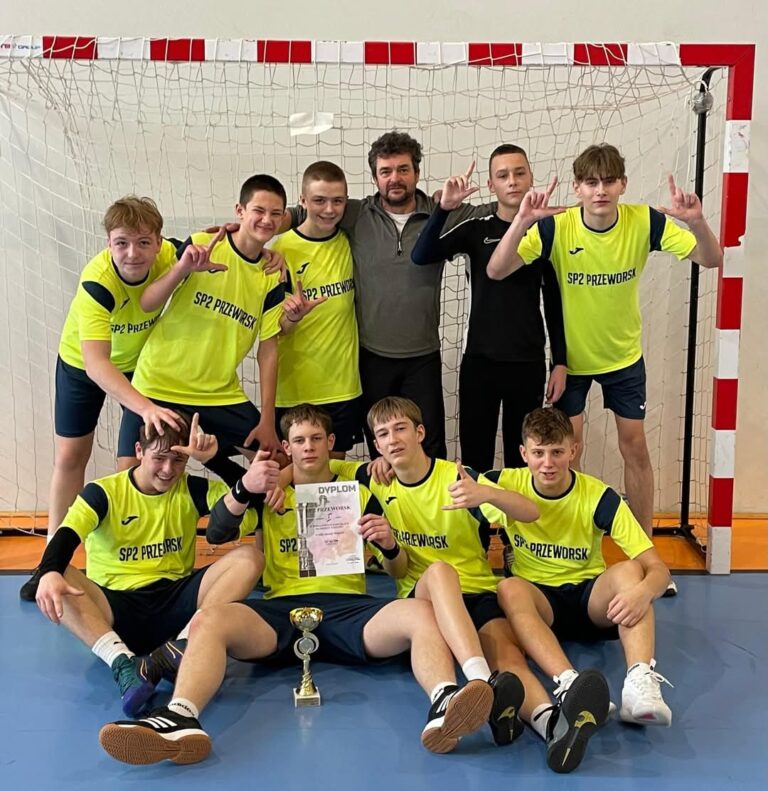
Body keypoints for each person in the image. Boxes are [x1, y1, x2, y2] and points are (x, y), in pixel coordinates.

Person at [97, 404, 500, 766]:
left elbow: (398, 571)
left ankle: (445, 699)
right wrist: (243, 483)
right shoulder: (270, 493)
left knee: (419, 612)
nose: (308, 447)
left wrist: (390, 544)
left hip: (348, 607)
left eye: (316, 439)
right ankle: (180, 717)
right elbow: (218, 532)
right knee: (211, 620)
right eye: (299, 441)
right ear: (287, 448)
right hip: (280, 611)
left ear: (331, 443)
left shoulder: (358, 492)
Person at [335, 397, 612, 773]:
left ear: (420, 432)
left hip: (479, 592)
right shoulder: (374, 481)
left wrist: (488, 494)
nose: (393, 439)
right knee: (440, 571)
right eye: (383, 434)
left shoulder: (458, 478)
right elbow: (397, 570)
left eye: (400, 429)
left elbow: (530, 512)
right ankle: (480, 681)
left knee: (510, 661)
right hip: (426, 597)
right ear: (376, 445)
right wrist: (388, 546)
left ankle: (550, 723)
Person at [486, 144, 722, 585]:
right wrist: (522, 221)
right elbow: (496, 270)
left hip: (623, 359)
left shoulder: (644, 221)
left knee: (635, 448)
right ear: (577, 187)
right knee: (567, 453)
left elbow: (711, 259)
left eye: (609, 181)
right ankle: (574, 554)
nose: (600, 191)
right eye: (591, 183)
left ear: (623, 185)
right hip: (571, 365)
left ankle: (647, 559)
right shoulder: (556, 227)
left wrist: (696, 222)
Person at [34, 411, 281, 717]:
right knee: (57, 572)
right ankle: (122, 661)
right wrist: (49, 573)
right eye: (159, 458)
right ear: (139, 451)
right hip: (116, 608)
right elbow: (65, 537)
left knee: (250, 558)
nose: (168, 469)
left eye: (178, 460)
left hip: (177, 606)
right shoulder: (103, 492)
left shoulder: (193, 488)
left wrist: (214, 460)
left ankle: (180, 649)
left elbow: (251, 497)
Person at [20, 196, 200, 601]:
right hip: (82, 365)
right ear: (108, 244)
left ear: (158, 243)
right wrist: (145, 406)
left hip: (140, 366)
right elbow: (97, 364)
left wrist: (272, 252)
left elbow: (221, 239)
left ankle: (132, 563)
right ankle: (51, 563)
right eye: (122, 243)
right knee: (71, 456)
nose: (132, 253)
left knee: (135, 464)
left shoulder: (172, 254)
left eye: (142, 242)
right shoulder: (97, 283)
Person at [290, 131, 496, 458]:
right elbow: (302, 212)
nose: (394, 178)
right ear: (375, 178)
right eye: (385, 171)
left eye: (403, 169)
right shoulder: (356, 213)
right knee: (382, 451)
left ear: (417, 173)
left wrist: (562, 212)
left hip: (423, 356)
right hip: (371, 357)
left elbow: (496, 212)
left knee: (429, 447)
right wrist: (248, 231)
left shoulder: (443, 212)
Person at [490, 407, 674, 729]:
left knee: (631, 570)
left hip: (592, 601)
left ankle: (639, 682)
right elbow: (442, 482)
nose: (548, 463)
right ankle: (570, 685)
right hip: (540, 605)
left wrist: (643, 592)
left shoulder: (599, 497)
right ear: (523, 453)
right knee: (508, 587)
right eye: (539, 453)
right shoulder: (504, 484)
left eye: (557, 452)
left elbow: (657, 569)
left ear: (573, 451)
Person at [117, 174, 289, 486]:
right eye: (258, 210)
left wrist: (267, 419)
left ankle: (221, 477)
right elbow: (147, 302)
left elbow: (268, 351)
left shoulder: (272, 275)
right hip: (158, 384)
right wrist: (183, 267)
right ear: (239, 210)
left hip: (217, 393)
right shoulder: (202, 244)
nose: (266, 220)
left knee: (277, 464)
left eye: (275, 213)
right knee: (129, 479)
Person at [411, 145, 566, 472]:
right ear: (491, 184)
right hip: (480, 362)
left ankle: (516, 511)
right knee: (475, 458)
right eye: (503, 175)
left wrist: (560, 362)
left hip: (528, 362)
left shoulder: (546, 230)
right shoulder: (476, 229)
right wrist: (444, 208)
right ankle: (477, 510)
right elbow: (421, 255)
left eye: (519, 173)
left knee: (522, 460)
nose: (512, 181)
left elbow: (554, 301)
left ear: (531, 177)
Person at [271, 162, 363, 457]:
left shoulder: (350, 242)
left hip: (343, 387)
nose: (329, 209)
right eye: (319, 200)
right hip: (294, 390)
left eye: (337, 201)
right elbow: (275, 330)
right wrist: (292, 317)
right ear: (302, 201)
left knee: (334, 478)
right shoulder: (280, 251)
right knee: (292, 477)